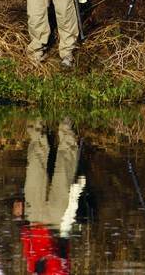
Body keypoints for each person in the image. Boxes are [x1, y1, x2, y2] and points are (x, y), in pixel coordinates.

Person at [12, 117, 86, 275]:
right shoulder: (61, 272)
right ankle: (67, 121)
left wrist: (19, 218)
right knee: (64, 168)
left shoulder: (31, 270)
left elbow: (27, 245)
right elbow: (61, 257)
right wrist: (46, 259)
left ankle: (37, 118)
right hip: (57, 223)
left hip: (33, 218)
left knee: (34, 166)